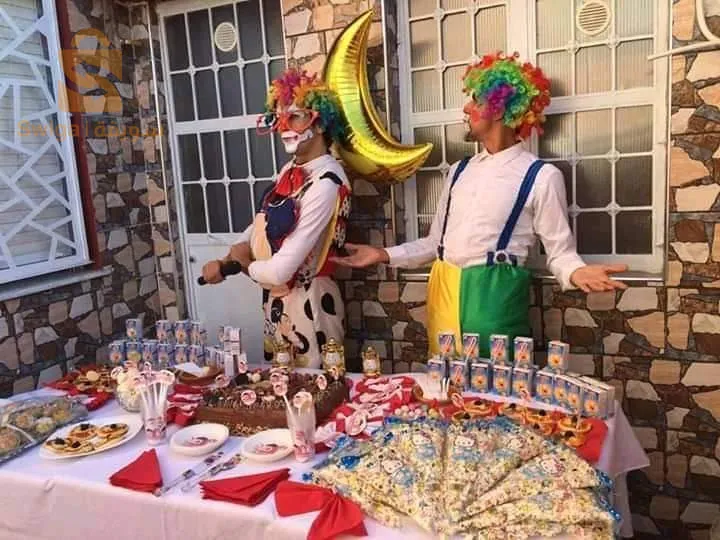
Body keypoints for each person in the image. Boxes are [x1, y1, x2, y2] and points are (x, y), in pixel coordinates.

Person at [332, 52, 627, 358]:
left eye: (475, 100)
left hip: (495, 299)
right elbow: (435, 244)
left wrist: (576, 272)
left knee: (498, 383)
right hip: (444, 293)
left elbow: (560, 251)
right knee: (445, 381)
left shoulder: (541, 176)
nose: (466, 108)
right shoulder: (459, 171)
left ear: (499, 109)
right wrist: (381, 254)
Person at [201, 69, 351, 368]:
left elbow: (282, 270)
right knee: (280, 384)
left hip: (311, 304)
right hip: (276, 303)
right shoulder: (289, 171)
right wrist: (229, 256)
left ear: (320, 123)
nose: (284, 126)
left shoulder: (326, 182)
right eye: (279, 117)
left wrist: (243, 263)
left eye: (294, 117)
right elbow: (263, 222)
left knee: (314, 389)